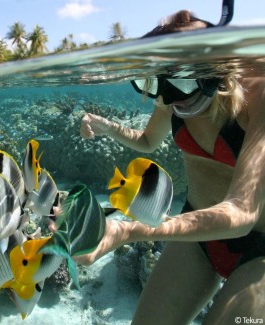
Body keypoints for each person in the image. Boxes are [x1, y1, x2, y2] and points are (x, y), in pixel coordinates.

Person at [77, 10, 265, 324]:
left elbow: (242, 212)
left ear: (212, 71)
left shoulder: (259, 93)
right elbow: (149, 140)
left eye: (179, 80)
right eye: (150, 82)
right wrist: (109, 127)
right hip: (198, 234)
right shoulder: (171, 94)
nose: (165, 97)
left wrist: (129, 230)